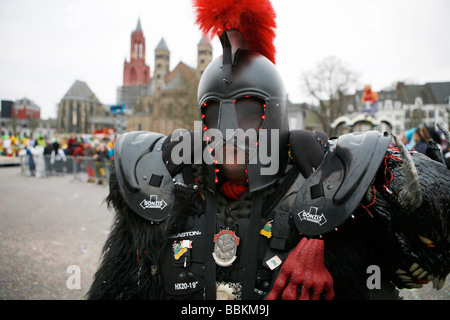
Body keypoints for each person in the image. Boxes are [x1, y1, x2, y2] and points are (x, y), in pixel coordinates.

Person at [87, 0, 449, 300]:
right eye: (215, 116)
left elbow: (430, 242)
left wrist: (330, 212)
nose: (228, 134)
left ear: (273, 116)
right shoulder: (177, 194)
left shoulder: (318, 192)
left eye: (246, 114)